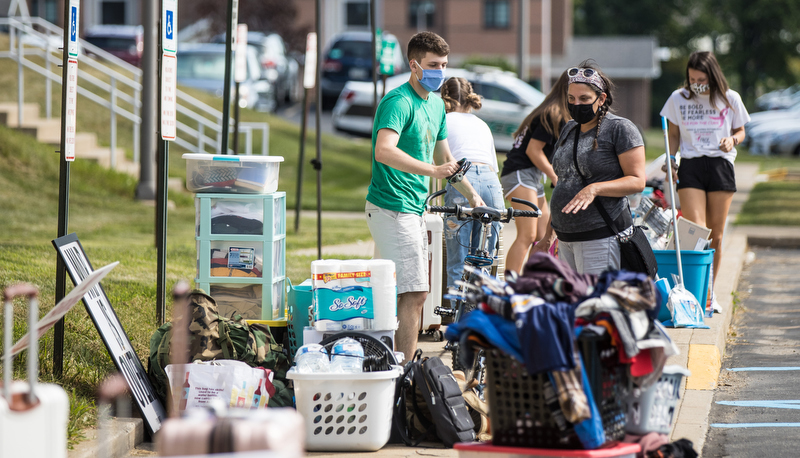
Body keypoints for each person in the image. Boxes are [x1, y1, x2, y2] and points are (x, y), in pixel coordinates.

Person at [365, 32, 484, 361]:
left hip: (413, 210)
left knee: (405, 292)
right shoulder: (398, 101)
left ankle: (392, 361)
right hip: (391, 207)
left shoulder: (435, 105)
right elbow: (383, 151)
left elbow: (446, 160)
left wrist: (474, 197)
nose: (440, 72)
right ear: (414, 65)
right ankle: (404, 370)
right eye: (433, 65)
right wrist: (432, 172)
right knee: (416, 293)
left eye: (444, 65)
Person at [533, 61, 646, 275]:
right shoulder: (569, 128)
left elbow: (638, 181)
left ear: (601, 98)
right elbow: (564, 184)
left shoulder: (620, 129)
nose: (577, 104)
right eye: (571, 99)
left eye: (584, 99)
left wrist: (594, 188)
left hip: (599, 238)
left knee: (595, 305)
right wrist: (547, 238)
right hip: (565, 240)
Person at [660, 51, 749, 311]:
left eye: (701, 78)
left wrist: (731, 140)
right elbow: (673, 134)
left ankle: (710, 294)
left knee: (717, 237)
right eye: (692, 78)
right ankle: (694, 292)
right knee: (697, 231)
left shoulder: (729, 98)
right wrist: (671, 158)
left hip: (721, 165)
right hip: (691, 165)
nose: (697, 83)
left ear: (712, 75)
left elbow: (741, 130)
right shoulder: (679, 98)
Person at [439, 76, 505, 303]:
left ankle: (455, 323)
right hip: (490, 181)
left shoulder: (443, 121)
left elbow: (442, 164)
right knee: (485, 259)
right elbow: (492, 166)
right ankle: (482, 316)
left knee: (458, 260)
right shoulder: (482, 124)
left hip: (461, 178)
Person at [500, 71, 570, 274]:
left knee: (543, 236)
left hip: (531, 175)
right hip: (520, 173)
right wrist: (554, 176)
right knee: (527, 235)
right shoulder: (553, 113)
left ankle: (530, 283)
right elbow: (533, 150)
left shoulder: (553, 111)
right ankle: (510, 288)